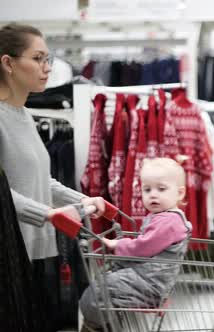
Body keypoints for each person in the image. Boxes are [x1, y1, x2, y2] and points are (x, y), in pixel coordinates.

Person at [0, 23, 107, 331]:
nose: (47, 68)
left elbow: (41, 178)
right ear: (8, 63)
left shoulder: (23, 115)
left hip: (37, 248)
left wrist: (83, 199)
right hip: (11, 251)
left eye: (48, 59)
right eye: (37, 59)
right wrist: (47, 214)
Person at [79, 157, 192, 331]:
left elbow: (143, 247)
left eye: (161, 189)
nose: (153, 194)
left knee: (98, 292)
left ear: (180, 193)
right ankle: (102, 325)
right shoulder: (164, 217)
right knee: (103, 287)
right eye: (147, 189)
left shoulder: (170, 221)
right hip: (147, 280)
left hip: (149, 284)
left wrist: (117, 244)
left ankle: (94, 327)